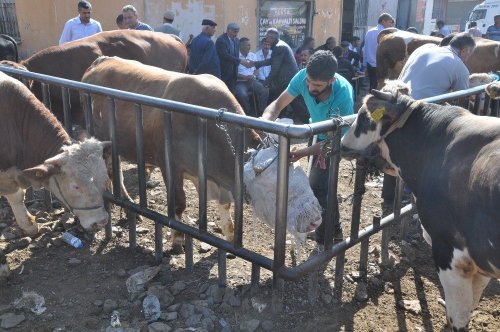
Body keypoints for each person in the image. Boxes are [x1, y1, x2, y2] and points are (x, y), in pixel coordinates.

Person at [376, 32, 478, 215]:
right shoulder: (459, 66)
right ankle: (410, 199)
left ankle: (389, 197)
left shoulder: (424, 51)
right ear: (465, 50)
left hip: (394, 105)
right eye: (469, 54)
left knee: (393, 150)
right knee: (423, 155)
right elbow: (462, 99)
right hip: (417, 115)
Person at [260, 50, 354, 246]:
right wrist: (265, 124)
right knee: (323, 185)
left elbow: (332, 140)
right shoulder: (303, 77)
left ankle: (324, 241)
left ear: (331, 80)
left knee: (320, 187)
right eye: (309, 81)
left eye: (317, 85)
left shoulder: (343, 95)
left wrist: (301, 153)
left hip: (333, 139)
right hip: (316, 130)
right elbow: (278, 104)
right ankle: (334, 231)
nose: (310, 87)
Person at [233, 37, 269, 117]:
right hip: (240, 82)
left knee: (264, 90)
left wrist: (253, 76)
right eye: (247, 45)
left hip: (252, 81)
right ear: (241, 46)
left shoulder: (253, 56)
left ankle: (262, 112)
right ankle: (248, 113)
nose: (249, 47)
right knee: (242, 94)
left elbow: (257, 70)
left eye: (250, 45)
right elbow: (234, 73)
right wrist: (245, 77)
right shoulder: (236, 57)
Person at [363, 13, 395, 90]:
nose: (391, 25)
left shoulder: (369, 32)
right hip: (382, 65)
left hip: (370, 65)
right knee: (382, 87)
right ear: (383, 21)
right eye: (390, 22)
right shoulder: (387, 34)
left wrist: (365, 65)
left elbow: (365, 50)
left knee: (372, 86)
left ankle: (370, 100)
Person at [215, 23, 248, 91]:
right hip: (223, 72)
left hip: (233, 74)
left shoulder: (237, 40)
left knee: (231, 93)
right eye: (234, 32)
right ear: (228, 30)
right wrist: (240, 61)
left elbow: (236, 55)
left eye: (237, 32)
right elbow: (224, 55)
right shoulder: (221, 40)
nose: (236, 34)